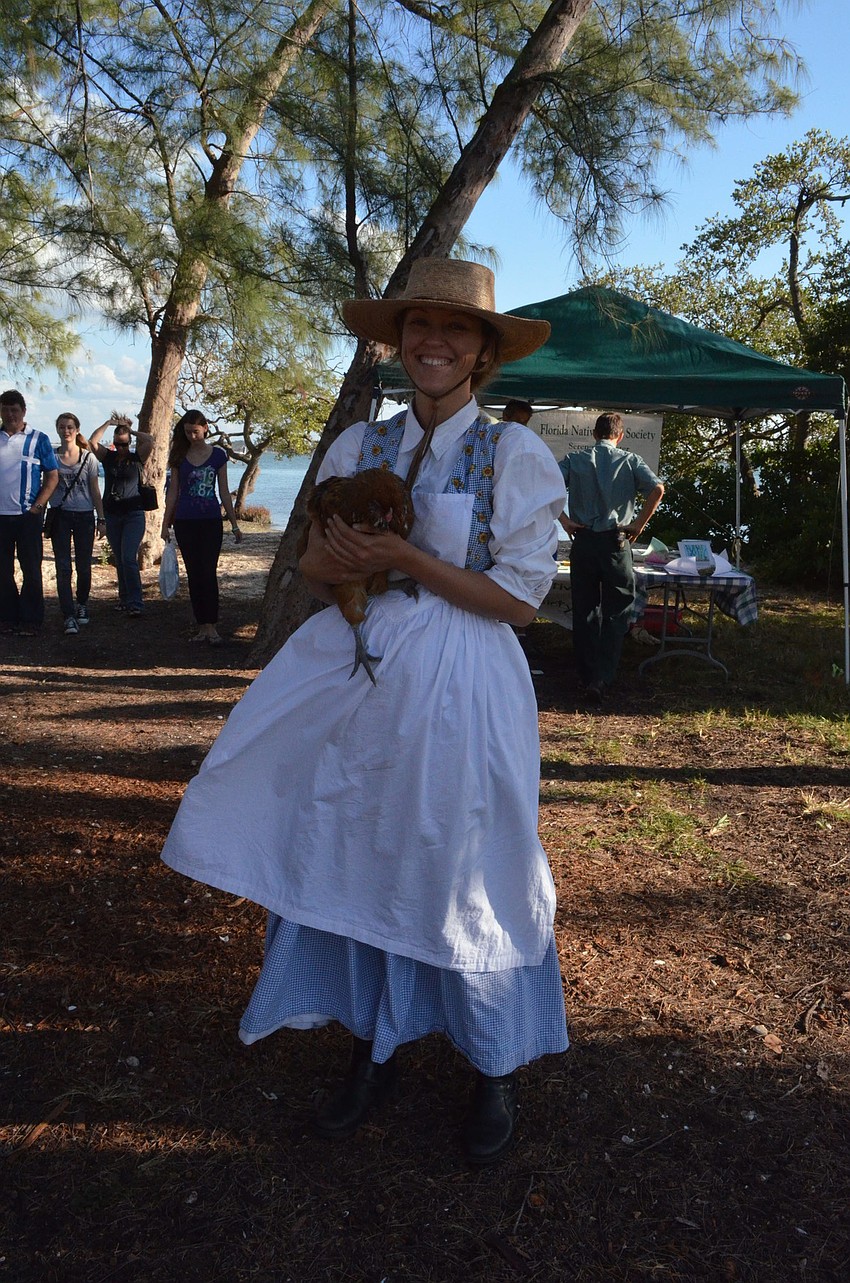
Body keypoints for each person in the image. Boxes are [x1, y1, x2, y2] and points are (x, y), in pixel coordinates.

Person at [161, 258, 568, 1166]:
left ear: (483, 353)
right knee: (357, 843)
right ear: (397, 339)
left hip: (465, 683)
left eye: (455, 330)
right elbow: (312, 571)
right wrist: (348, 559)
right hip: (360, 673)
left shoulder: (515, 455)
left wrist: (406, 555)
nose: (433, 341)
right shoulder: (356, 448)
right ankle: (373, 1044)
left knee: (468, 854)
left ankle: (491, 1062)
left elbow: (516, 601)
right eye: (418, 325)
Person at [558, 411, 664, 703]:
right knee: (617, 610)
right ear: (620, 435)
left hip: (584, 542)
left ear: (594, 434)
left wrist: (564, 520)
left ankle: (587, 674)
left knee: (585, 610)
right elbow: (657, 488)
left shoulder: (576, 460)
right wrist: (639, 525)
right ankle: (603, 676)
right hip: (617, 543)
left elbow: (542, 484)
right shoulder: (630, 461)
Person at [160, 409, 243, 644]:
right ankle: (201, 626)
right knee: (194, 574)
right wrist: (165, 524)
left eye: (195, 432)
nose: (192, 437)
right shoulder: (179, 456)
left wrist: (234, 524)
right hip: (185, 521)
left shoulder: (218, 456)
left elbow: (224, 492)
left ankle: (212, 625)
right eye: (187, 432)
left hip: (210, 521)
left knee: (208, 572)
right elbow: (173, 493)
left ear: (205, 428)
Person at [0, 389, 58, 636]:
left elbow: (52, 476)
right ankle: (7, 617)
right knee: (2, 570)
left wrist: (38, 506)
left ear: (24, 411)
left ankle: (31, 620)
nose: (10, 414)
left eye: (14, 410)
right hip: (1, 517)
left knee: (31, 569)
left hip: (27, 516)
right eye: (5, 410)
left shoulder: (39, 439)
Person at [89, 414, 154, 617]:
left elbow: (150, 441)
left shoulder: (137, 458)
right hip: (112, 514)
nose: (121, 448)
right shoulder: (107, 458)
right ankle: (124, 599)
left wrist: (130, 429)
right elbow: (92, 442)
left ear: (130, 443)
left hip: (134, 514)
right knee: (119, 557)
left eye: (125, 444)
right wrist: (109, 424)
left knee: (128, 558)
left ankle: (136, 602)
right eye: (118, 444)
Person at [48, 413, 106, 635]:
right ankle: (68, 614)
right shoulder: (52, 458)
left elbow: (94, 489)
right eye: (62, 427)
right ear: (58, 430)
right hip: (60, 516)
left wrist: (101, 519)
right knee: (63, 567)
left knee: (83, 566)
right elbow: (48, 487)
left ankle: (82, 604)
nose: (66, 431)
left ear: (77, 429)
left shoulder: (88, 458)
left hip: (84, 516)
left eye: (70, 427)